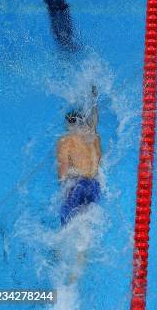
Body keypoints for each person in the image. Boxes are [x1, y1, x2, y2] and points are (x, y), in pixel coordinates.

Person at [57, 86, 101, 226]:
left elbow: (63, 173)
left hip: (77, 185)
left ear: (69, 123)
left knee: (68, 225)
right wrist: (94, 98)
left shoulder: (66, 140)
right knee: (86, 225)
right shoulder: (94, 136)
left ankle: (62, 248)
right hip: (95, 186)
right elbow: (94, 120)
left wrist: (64, 190)